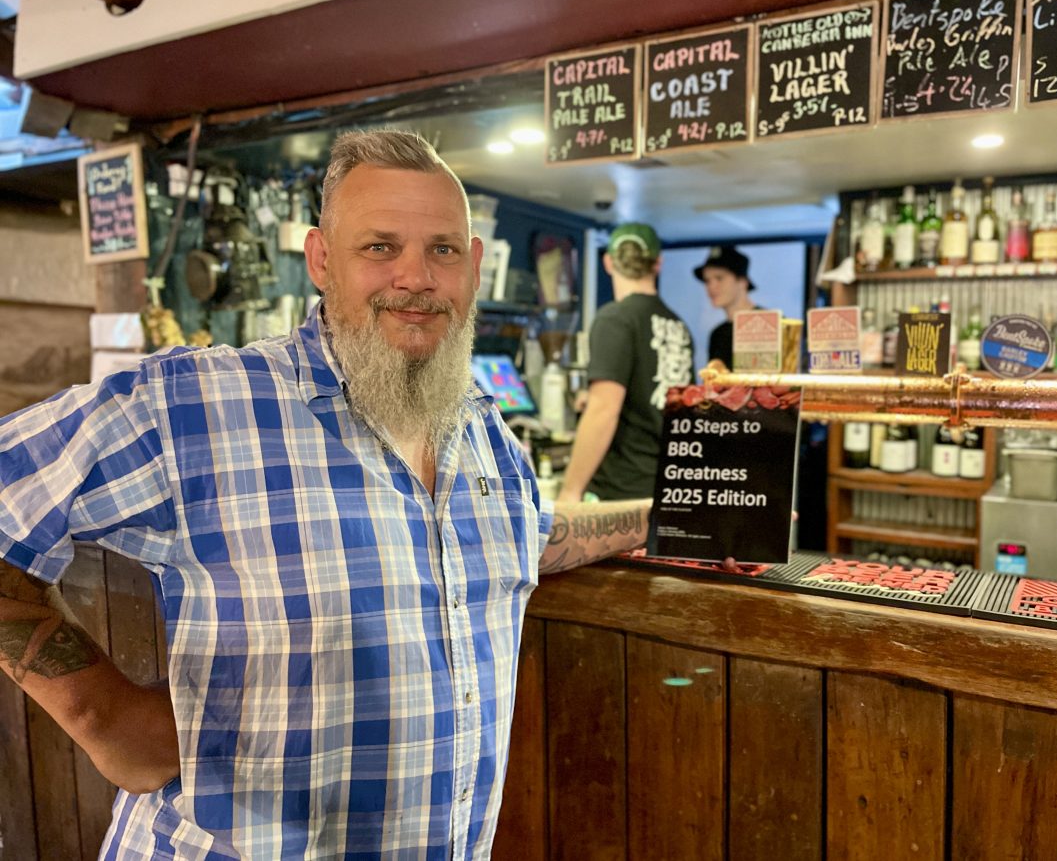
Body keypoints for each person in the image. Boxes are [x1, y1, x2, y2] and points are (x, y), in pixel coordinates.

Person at [0, 130, 660, 859]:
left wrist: (669, 520)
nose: (415, 277)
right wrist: (101, 714)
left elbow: (534, 535)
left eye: (442, 249)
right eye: (380, 247)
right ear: (321, 261)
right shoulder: (197, 405)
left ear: (474, 269)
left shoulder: (485, 434)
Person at [558, 223, 694, 503]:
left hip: (622, 493)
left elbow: (604, 410)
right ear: (658, 263)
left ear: (608, 262)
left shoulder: (615, 319)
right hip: (669, 487)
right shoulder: (679, 326)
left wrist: (570, 493)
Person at [695, 244, 756, 369]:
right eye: (707, 281)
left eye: (719, 278)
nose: (711, 287)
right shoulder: (717, 334)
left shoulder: (772, 324)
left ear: (743, 282)